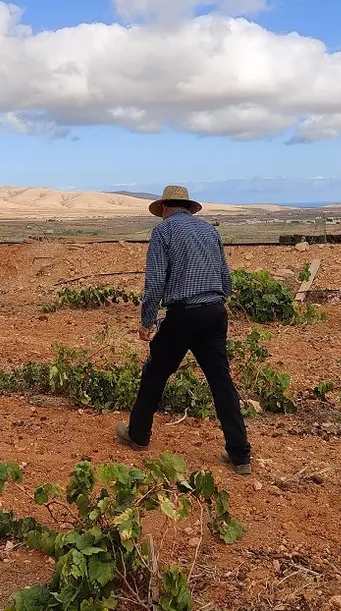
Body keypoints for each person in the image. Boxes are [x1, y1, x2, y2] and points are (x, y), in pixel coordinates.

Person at [114, 185, 252, 475]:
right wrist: (215, 303)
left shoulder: (163, 232)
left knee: (155, 373)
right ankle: (239, 455)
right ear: (189, 207)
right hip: (215, 313)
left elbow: (154, 284)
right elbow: (226, 279)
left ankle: (138, 434)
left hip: (184, 314)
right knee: (221, 381)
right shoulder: (209, 231)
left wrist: (146, 322)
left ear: (164, 208)